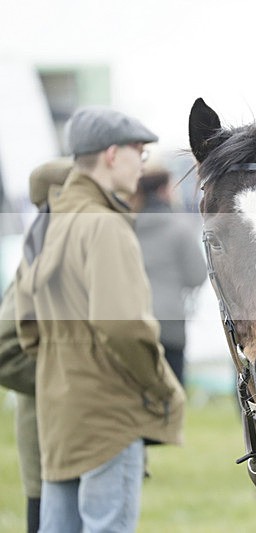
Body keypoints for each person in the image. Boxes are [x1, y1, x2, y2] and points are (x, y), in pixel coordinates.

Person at [14, 106, 185, 533]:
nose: (141, 164)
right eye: (139, 153)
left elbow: (23, 323)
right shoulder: (105, 226)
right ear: (113, 155)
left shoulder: (51, 222)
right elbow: (123, 326)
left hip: (59, 412)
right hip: (110, 414)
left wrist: (57, 368)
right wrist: (161, 385)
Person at [0, 157, 72, 533]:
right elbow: (3, 351)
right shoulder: (41, 255)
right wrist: (72, 383)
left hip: (71, 434)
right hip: (49, 436)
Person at [132, 165, 206, 385]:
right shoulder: (179, 228)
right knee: (172, 395)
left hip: (133, 320)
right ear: (164, 190)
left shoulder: (126, 227)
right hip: (170, 323)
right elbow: (197, 275)